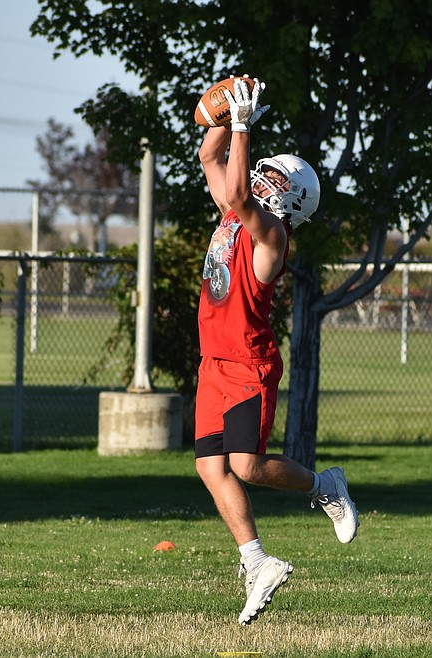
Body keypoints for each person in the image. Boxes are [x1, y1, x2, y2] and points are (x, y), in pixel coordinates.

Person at [195, 77, 359, 625]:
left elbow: (242, 196)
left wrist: (243, 125)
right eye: (264, 170)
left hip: (247, 361)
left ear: (289, 199)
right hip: (214, 361)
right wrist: (224, 117)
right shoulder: (235, 211)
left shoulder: (271, 235)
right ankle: (257, 561)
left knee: (246, 465)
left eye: (275, 178)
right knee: (210, 467)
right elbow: (209, 156)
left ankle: (324, 486)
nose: (263, 176)